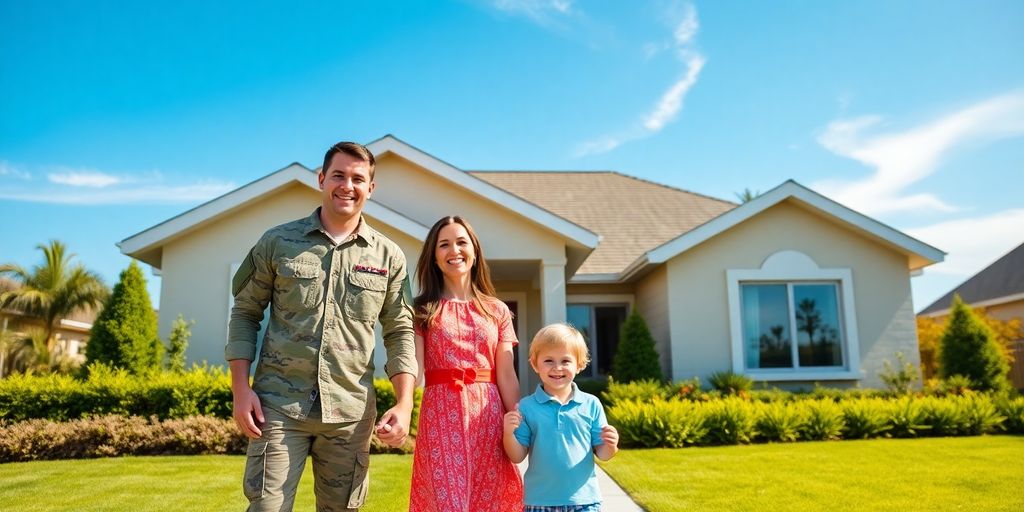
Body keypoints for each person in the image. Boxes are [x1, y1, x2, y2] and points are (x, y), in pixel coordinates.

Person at [225, 141, 417, 512]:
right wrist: (240, 389)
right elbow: (246, 313)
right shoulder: (278, 242)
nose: (347, 185)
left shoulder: (389, 255)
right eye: (338, 175)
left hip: (350, 413)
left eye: (358, 179)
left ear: (371, 189)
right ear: (321, 180)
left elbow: (399, 331)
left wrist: (405, 403)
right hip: (279, 406)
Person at [407, 215, 524, 511]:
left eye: (461, 242)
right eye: (444, 245)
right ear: (434, 257)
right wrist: (400, 405)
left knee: (491, 499)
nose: (454, 250)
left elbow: (507, 374)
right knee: (447, 500)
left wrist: (522, 419)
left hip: (488, 418)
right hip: (440, 417)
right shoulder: (422, 310)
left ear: (474, 251)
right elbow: (415, 370)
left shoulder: (496, 309)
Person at [503, 323, 620, 512]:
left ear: (579, 364)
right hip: (539, 502)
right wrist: (508, 434)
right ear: (535, 364)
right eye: (548, 360)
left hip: (584, 501)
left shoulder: (591, 404)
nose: (557, 368)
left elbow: (604, 454)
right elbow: (517, 456)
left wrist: (611, 444)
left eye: (565, 361)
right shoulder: (527, 406)